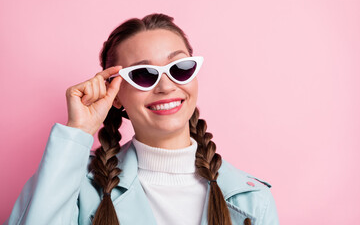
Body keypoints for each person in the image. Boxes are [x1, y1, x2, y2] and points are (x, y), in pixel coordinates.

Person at [6, 13, 279, 225]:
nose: (165, 86)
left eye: (180, 68)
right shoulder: (81, 187)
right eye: (143, 74)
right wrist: (79, 130)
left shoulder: (251, 201)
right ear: (116, 95)